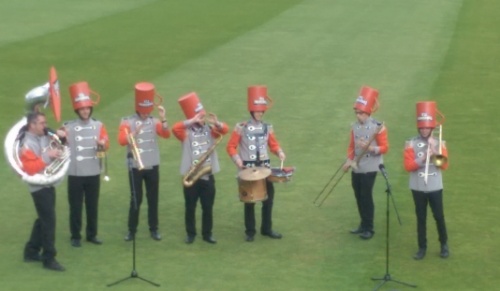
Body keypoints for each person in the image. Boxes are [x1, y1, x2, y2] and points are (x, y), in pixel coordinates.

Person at [226, 85, 286, 242]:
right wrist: (238, 161)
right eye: (258, 111)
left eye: (262, 111)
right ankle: (250, 231)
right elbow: (231, 147)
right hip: (248, 169)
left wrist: (279, 151)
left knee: (268, 199)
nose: (260, 113)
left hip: (265, 169)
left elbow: (273, 144)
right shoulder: (241, 127)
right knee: (249, 201)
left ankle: (267, 229)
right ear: (252, 111)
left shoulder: (267, 127)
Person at [172, 92, 229, 244]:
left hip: (207, 174)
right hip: (191, 175)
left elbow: (225, 130)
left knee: (207, 207)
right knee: (190, 207)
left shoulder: (211, 130)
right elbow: (175, 129)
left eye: (202, 116)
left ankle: (207, 233)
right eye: (199, 116)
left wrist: (217, 123)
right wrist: (190, 121)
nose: (202, 118)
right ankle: (191, 233)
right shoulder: (185, 133)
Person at [117, 82, 170, 241]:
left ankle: (154, 228)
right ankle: (131, 230)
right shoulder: (127, 121)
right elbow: (121, 140)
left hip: (152, 164)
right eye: (143, 110)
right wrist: (134, 133)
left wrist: (164, 118)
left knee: (153, 198)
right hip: (135, 166)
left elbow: (166, 134)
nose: (146, 114)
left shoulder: (154, 122)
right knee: (136, 198)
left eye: (148, 111)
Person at [62, 82, 109, 247]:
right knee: (75, 206)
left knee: (92, 205)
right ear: (77, 110)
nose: (85, 111)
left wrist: (102, 143)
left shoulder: (98, 125)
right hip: (75, 173)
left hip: (92, 171)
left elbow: (105, 143)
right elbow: (58, 144)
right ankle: (75, 235)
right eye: (82, 109)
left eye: (88, 108)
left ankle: (92, 234)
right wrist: (61, 137)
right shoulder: (68, 127)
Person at [20, 111, 66, 271]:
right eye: (42, 123)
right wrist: (48, 156)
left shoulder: (43, 135)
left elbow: (60, 142)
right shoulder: (26, 143)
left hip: (47, 182)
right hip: (38, 185)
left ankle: (31, 251)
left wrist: (60, 136)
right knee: (49, 221)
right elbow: (30, 168)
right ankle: (49, 258)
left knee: (43, 219)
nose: (45, 126)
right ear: (32, 125)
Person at [342, 86, 389, 240]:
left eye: (361, 113)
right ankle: (363, 224)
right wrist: (348, 161)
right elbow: (351, 146)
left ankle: (369, 228)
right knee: (358, 195)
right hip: (357, 166)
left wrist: (370, 148)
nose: (358, 116)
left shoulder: (378, 127)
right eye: (356, 113)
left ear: (368, 112)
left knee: (366, 196)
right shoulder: (354, 127)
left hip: (370, 167)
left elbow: (385, 148)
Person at [404, 101, 449, 260]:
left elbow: (443, 165)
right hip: (417, 187)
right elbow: (408, 166)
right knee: (421, 217)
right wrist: (422, 158)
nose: (424, 130)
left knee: (438, 216)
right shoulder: (410, 143)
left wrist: (435, 150)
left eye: (427, 127)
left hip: (435, 186)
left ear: (431, 127)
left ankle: (444, 244)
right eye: (421, 127)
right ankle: (422, 247)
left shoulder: (439, 142)